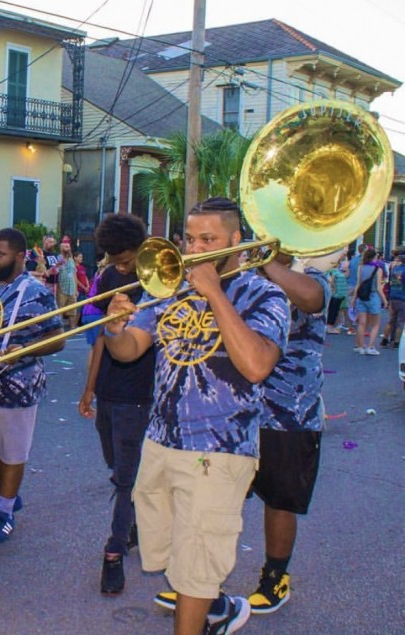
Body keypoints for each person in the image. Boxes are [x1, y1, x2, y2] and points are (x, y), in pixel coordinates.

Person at [103, 197, 290, 635]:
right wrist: (114, 330)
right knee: (174, 553)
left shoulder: (265, 294)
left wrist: (214, 293)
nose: (195, 248)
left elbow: (257, 365)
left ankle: (199, 614)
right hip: (161, 440)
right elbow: (130, 350)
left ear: (236, 240)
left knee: (197, 564)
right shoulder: (170, 287)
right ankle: (217, 606)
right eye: (190, 238)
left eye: (208, 239)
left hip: (219, 448)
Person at [243, 251, 331, 615]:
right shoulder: (248, 276)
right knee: (222, 497)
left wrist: (267, 263)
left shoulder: (312, 276)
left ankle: (275, 578)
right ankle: (204, 579)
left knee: (280, 502)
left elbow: (312, 298)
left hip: (290, 413)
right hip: (239, 408)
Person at [0, 227, 64, 544]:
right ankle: (2, 496)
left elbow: (58, 338)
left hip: (19, 384)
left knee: (12, 453)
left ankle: (5, 512)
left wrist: (26, 349)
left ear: (20, 256)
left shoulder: (35, 292)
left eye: (0, 254)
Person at [77, 212, 154, 595]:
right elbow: (101, 339)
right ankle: (135, 522)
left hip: (138, 393)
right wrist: (89, 388)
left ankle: (114, 552)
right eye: (115, 260)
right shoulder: (108, 277)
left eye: (127, 260)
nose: (121, 267)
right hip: (108, 388)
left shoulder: (157, 278)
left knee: (125, 478)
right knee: (119, 468)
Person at [350, 246, 387, 355]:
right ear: (374, 257)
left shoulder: (361, 267)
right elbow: (379, 288)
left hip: (361, 297)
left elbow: (358, 284)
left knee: (362, 323)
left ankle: (360, 346)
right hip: (373, 297)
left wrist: (354, 299)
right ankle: (370, 346)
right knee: (375, 324)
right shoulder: (378, 269)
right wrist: (384, 300)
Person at [381, 250, 405, 349]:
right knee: (401, 322)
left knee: (391, 320)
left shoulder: (395, 269)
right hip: (402, 297)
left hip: (393, 296)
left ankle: (385, 339)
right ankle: (396, 342)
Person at [56, 236, 78, 330]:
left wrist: (76, 289)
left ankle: (72, 328)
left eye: (68, 246)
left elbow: (74, 274)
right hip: (61, 288)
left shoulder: (71, 260)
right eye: (65, 246)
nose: (67, 248)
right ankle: (60, 330)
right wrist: (57, 288)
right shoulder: (57, 258)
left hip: (71, 288)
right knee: (60, 310)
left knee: (72, 311)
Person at [325, 253, 349, 334]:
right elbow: (332, 280)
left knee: (336, 310)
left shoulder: (338, 270)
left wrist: (347, 268)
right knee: (333, 310)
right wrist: (333, 289)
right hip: (336, 294)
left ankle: (332, 326)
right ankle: (329, 327)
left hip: (340, 294)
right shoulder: (333, 270)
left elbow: (346, 275)